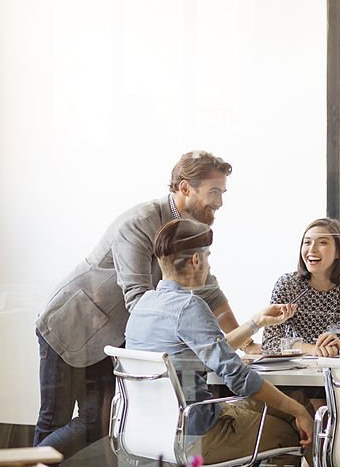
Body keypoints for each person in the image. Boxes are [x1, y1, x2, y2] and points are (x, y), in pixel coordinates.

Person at [33, 150, 241, 460]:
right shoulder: (140, 222)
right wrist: (187, 331)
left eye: (222, 193)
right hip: (69, 328)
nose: (220, 202)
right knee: (55, 421)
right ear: (185, 188)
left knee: (100, 425)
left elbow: (209, 290)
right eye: (213, 192)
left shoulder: (191, 229)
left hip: (111, 338)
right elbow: (138, 298)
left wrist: (245, 340)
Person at [126, 218, 313, 465]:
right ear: (196, 260)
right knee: (294, 428)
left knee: (294, 401)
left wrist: (256, 322)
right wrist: (299, 413)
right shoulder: (189, 306)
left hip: (149, 432)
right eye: (208, 257)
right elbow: (237, 376)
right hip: (197, 435)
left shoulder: (144, 305)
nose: (208, 265)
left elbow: (212, 352)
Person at [261, 218, 340, 357]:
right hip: (296, 371)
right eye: (307, 242)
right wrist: (313, 349)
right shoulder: (288, 285)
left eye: (322, 243)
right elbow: (269, 342)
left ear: (338, 252)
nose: (312, 249)